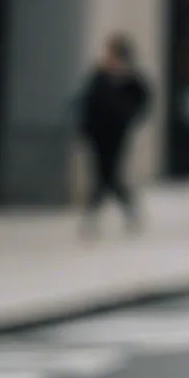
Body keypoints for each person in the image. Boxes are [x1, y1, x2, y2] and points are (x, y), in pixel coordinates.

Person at [76, 34, 153, 235]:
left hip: (117, 134)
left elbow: (143, 102)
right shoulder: (100, 77)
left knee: (109, 176)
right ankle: (110, 214)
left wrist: (127, 118)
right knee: (104, 176)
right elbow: (88, 104)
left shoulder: (130, 80)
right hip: (97, 135)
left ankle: (97, 216)